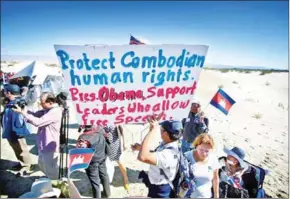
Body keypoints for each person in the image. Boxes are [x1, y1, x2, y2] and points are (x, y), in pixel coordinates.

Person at [12, 92, 62, 179]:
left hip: (49, 144)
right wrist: (24, 110)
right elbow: (35, 115)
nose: (41, 105)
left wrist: (23, 113)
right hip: (43, 143)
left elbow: (38, 122)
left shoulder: (55, 111)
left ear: (50, 102)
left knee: (50, 167)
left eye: (42, 103)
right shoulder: (48, 109)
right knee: (41, 164)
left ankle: (54, 183)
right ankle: (48, 178)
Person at [131, 116, 182, 198]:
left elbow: (142, 157)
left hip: (160, 190)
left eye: (161, 129)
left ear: (165, 133)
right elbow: (157, 153)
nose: (160, 131)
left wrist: (152, 131)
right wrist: (140, 147)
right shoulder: (168, 144)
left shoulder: (169, 155)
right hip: (156, 185)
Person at [1, 84, 32, 173]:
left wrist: (17, 130)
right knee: (16, 148)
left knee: (22, 149)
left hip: (16, 131)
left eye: (5, 91)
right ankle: (21, 162)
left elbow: (21, 118)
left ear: (9, 93)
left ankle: (26, 165)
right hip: (10, 130)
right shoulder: (10, 101)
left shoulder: (19, 102)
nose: (4, 93)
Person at [77, 125, 111, 198]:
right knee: (104, 175)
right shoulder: (100, 130)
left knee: (95, 182)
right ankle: (107, 193)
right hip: (102, 157)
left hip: (91, 162)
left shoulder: (83, 137)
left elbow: (79, 152)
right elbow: (107, 141)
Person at [184, 133, 220, 198]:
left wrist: (216, 195)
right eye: (201, 150)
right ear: (196, 146)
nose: (204, 153)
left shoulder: (213, 158)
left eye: (207, 151)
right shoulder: (186, 157)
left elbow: (215, 178)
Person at [103, 124, 129, 191]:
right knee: (107, 163)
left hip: (116, 144)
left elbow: (122, 130)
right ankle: (108, 181)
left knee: (120, 161)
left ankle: (126, 179)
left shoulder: (115, 117)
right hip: (105, 144)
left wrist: (124, 143)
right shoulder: (99, 118)